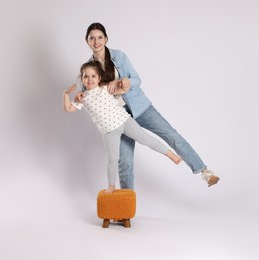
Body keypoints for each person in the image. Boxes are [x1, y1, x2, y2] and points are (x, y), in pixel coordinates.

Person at [76, 22, 219, 189]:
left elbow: (137, 80)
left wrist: (125, 81)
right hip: (118, 118)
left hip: (141, 108)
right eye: (92, 38)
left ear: (106, 39)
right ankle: (125, 209)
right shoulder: (88, 68)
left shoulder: (119, 57)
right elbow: (86, 95)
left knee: (171, 135)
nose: (96, 41)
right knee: (125, 162)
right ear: (87, 41)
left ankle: (204, 171)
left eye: (100, 37)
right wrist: (79, 96)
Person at [63, 60, 182, 193]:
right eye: (86, 76)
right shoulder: (82, 98)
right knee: (113, 159)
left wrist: (124, 81)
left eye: (93, 76)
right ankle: (111, 186)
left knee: (146, 139)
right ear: (82, 79)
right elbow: (68, 108)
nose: (89, 79)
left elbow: (124, 88)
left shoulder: (105, 88)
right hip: (108, 131)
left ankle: (171, 154)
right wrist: (66, 95)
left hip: (124, 121)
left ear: (99, 78)